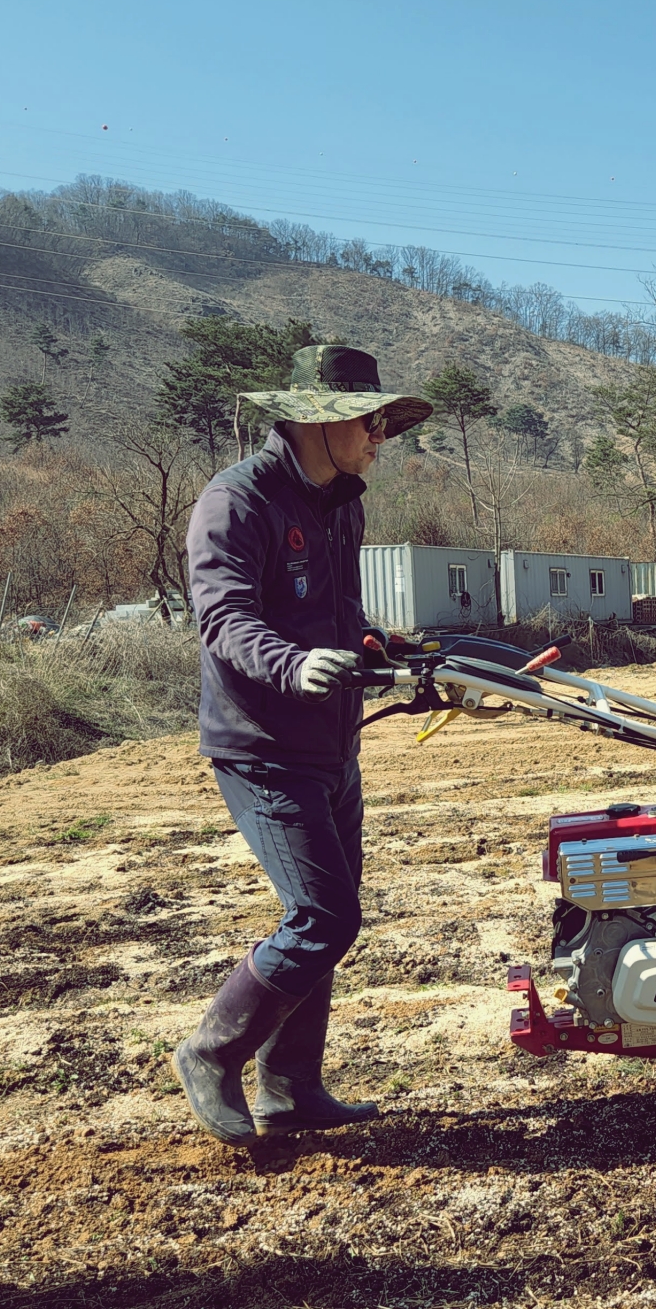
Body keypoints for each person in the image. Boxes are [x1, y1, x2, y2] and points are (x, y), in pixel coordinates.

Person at [174, 344, 432, 1145]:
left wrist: (372, 641)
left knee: (322, 914)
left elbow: (333, 606)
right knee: (325, 915)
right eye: (370, 421)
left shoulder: (341, 502)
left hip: (331, 739)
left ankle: (290, 1089)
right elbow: (224, 619)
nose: (379, 438)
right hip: (261, 744)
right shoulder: (238, 501)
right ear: (320, 421)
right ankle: (211, 1052)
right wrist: (293, 663)